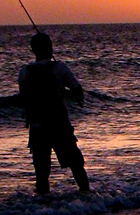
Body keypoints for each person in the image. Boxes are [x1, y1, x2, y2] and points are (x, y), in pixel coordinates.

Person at [18, 31, 91, 195]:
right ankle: (88, 199)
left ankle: (44, 208)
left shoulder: (25, 72)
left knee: (41, 172)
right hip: (59, 124)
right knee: (76, 165)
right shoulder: (60, 68)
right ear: (50, 47)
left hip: (37, 126)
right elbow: (77, 91)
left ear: (33, 50)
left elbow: (23, 99)